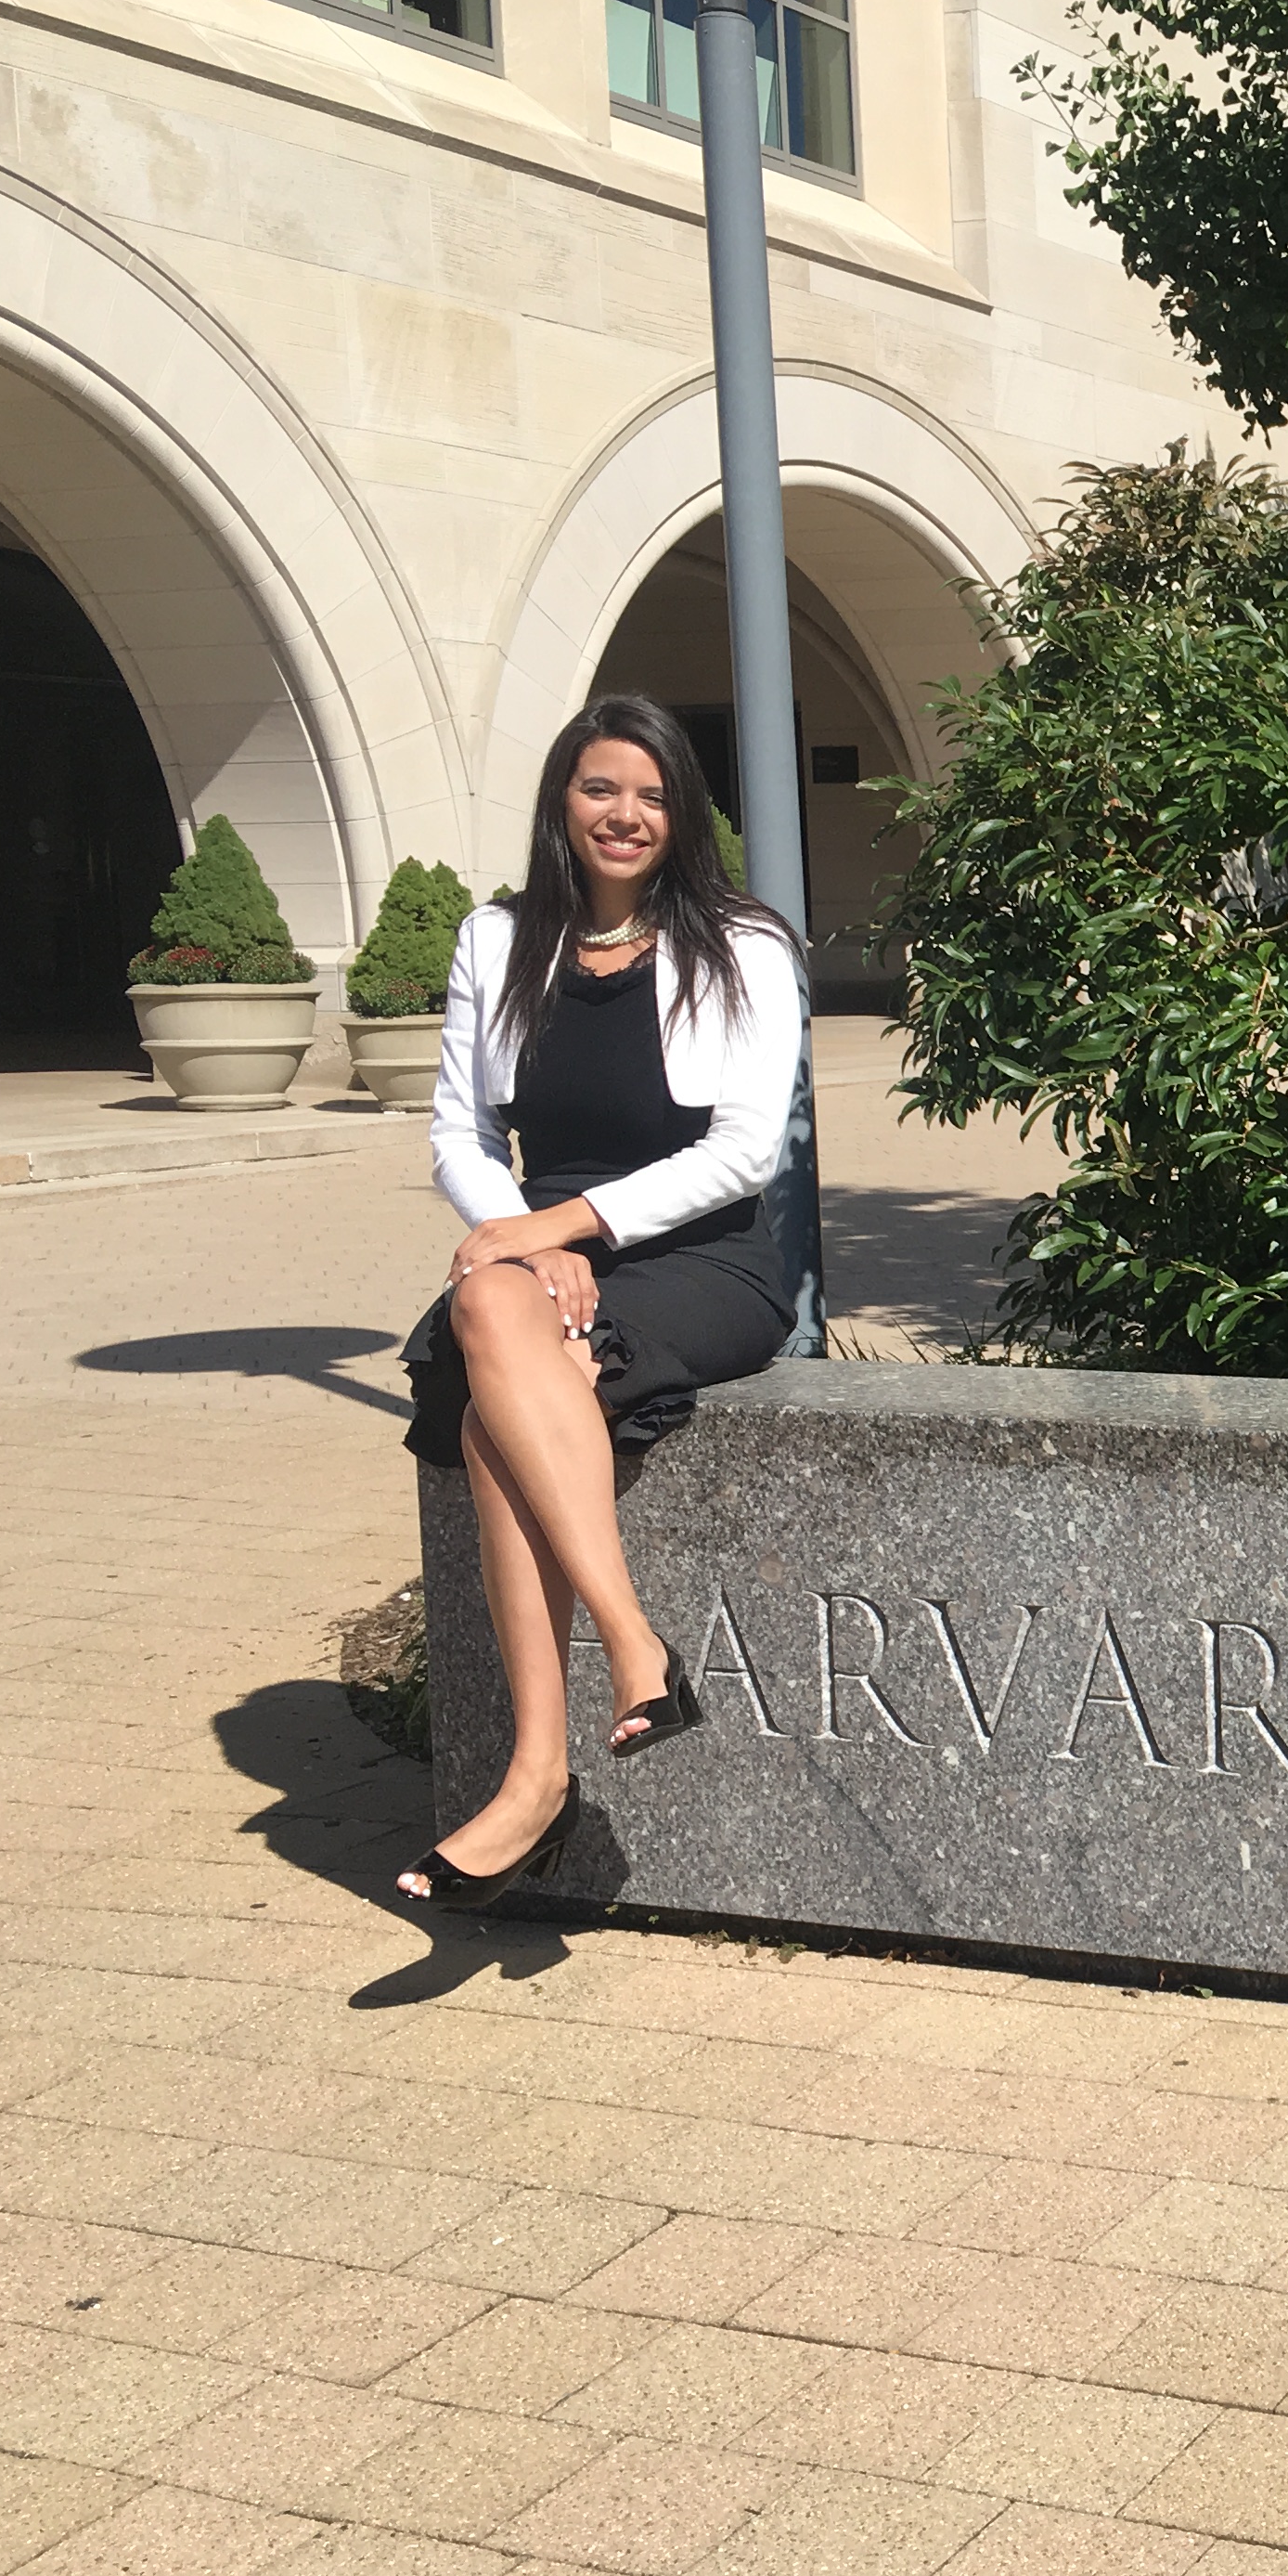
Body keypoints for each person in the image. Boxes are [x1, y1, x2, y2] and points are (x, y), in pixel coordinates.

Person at [393, 694, 805, 1906]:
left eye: (652, 794)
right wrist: (517, 1241)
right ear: (561, 802)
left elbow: (743, 1154)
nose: (624, 815)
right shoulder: (497, 940)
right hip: (535, 1249)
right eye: (599, 789)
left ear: (682, 815)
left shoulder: (746, 944)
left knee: (489, 1404)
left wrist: (559, 1229)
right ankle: (625, 1664)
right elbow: (458, 1134)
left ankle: (541, 1775)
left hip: (701, 1250)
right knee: (489, 1321)